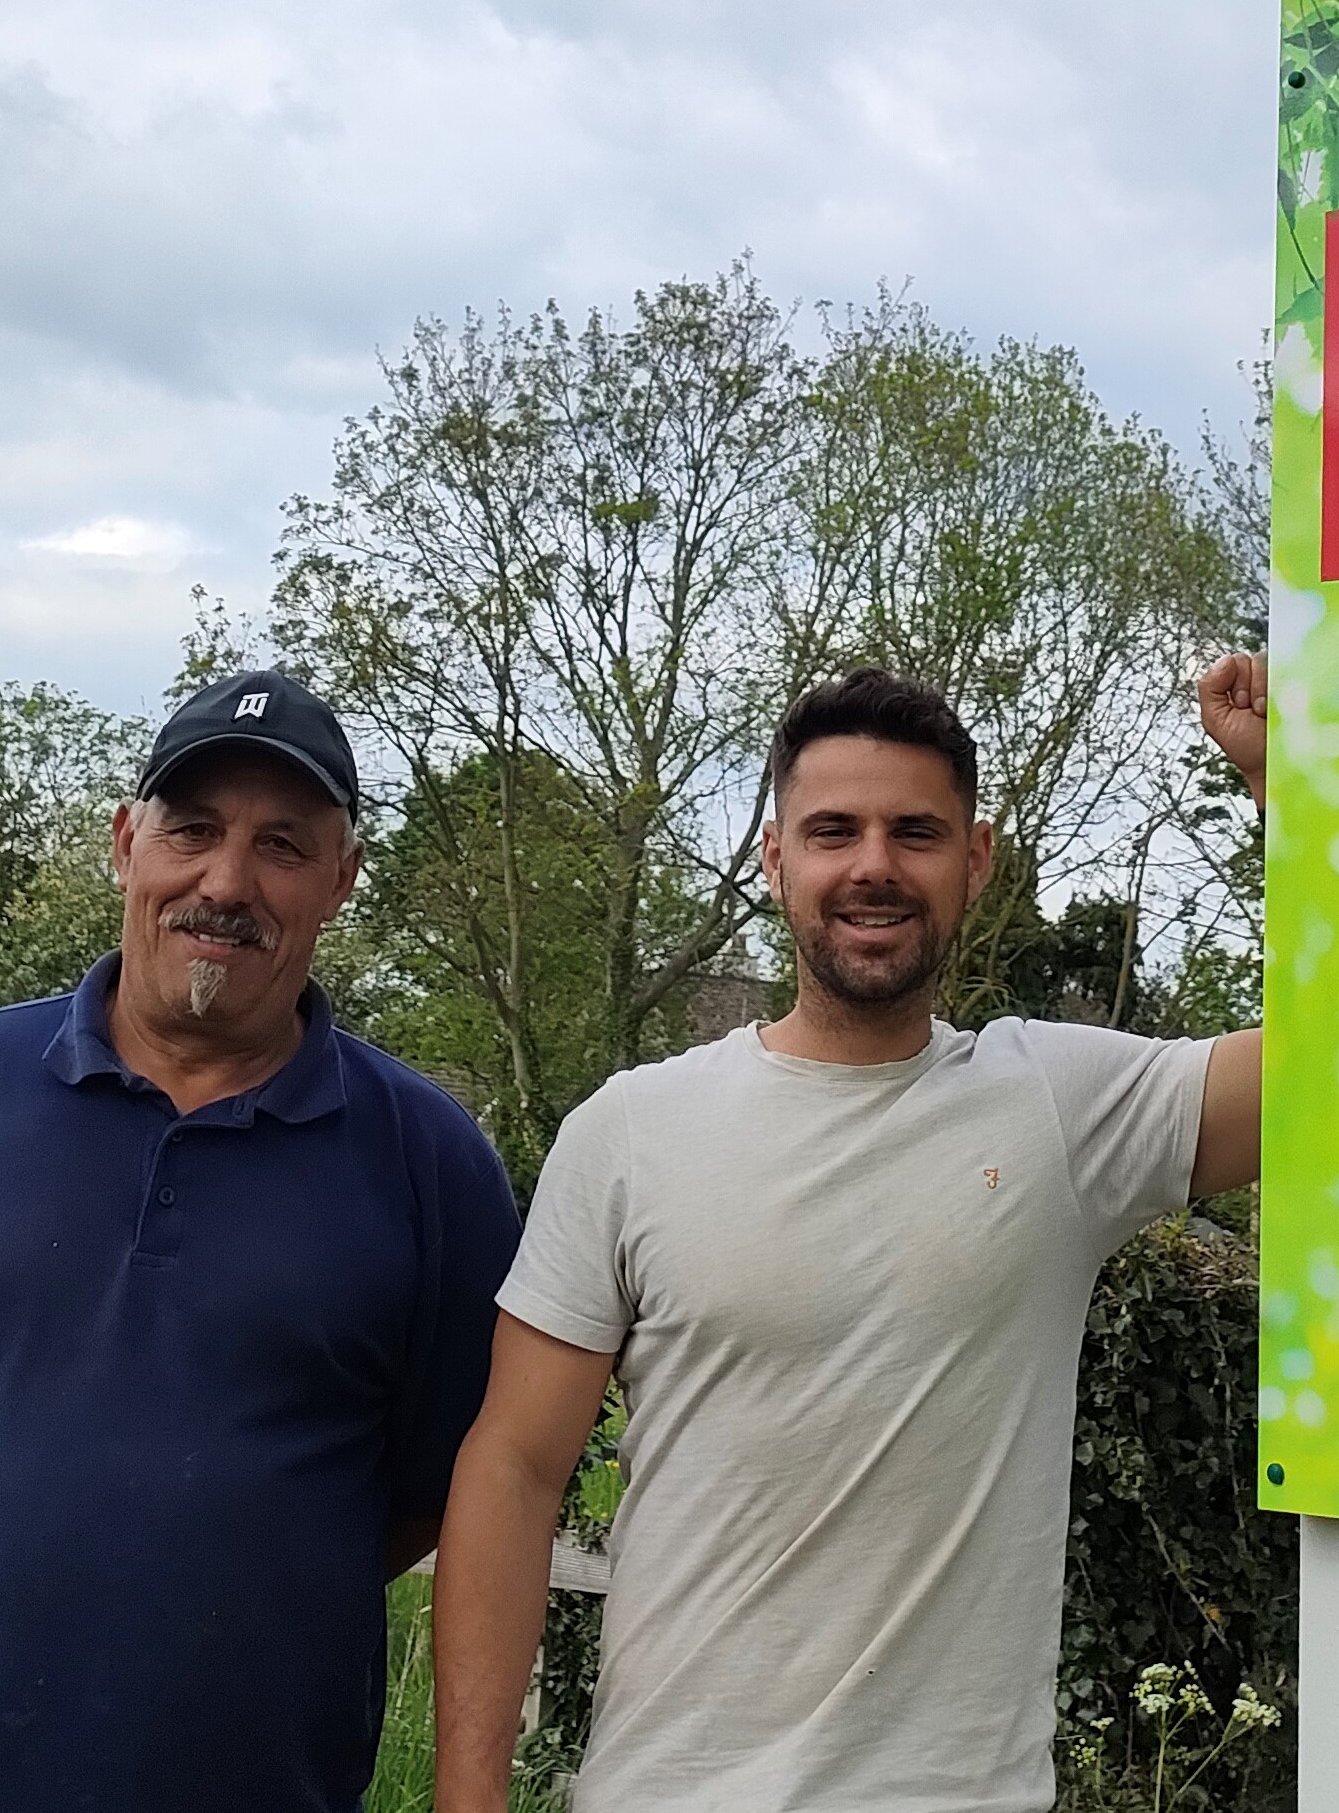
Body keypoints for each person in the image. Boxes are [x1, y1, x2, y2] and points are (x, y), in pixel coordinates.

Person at [433, 656, 1268, 1813]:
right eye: (833, 830)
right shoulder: (628, 1131)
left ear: (974, 862)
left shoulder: (1062, 1108)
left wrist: (1290, 785)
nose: (873, 865)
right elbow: (515, 1472)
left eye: (914, 832)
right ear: (775, 858)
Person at [0, 668, 521, 1813]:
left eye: (282, 845)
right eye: (192, 831)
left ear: (342, 879)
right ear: (126, 843)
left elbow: (451, 1489)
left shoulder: (434, 1168)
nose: (225, 883)